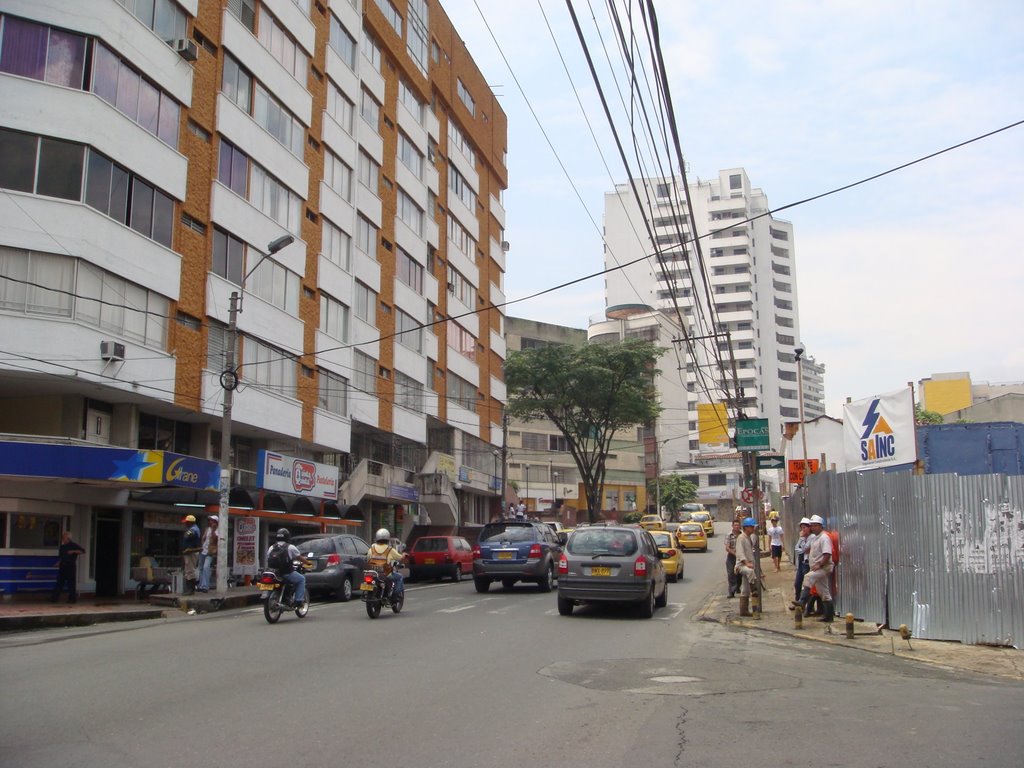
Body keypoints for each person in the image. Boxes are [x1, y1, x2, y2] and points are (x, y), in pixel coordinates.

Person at [796, 514, 834, 622]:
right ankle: (828, 617)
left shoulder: (824, 538)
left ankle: (802, 601)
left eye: (815, 526)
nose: (813, 528)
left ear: (821, 526)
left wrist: (820, 564)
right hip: (817, 568)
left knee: (807, 577)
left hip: (823, 568)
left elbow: (827, 554)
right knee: (824, 592)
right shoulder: (816, 538)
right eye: (812, 526)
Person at [266, 528, 306, 606]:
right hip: (286, 573)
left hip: (274, 573)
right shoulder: (290, 547)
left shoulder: (272, 547)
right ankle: (299, 601)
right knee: (301, 579)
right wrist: (308, 562)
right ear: (287, 537)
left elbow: (268, 558)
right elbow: (299, 557)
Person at [366, 528, 408, 600]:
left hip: (373, 573)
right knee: (400, 577)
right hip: (385, 574)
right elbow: (400, 558)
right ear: (387, 539)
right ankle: (395, 596)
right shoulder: (389, 549)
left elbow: (367, 559)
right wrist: (404, 555)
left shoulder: (371, 549)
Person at [50, 531, 85, 604]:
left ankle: (72, 599)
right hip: (63, 566)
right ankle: (54, 598)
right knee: (59, 582)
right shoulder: (62, 547)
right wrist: (58, 563)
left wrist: (73, 551)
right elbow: (62, 557)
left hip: (70, 566)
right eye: (62, 537)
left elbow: (83, 551)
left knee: (71, 583)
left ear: (68, 538)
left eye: (64, 537)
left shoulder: (73, 545)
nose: (62, 539)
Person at [734, 517, 759, 616]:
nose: (753, 528)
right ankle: (755, 589)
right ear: (746, 527)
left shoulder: (749, 537)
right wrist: (746, 563)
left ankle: (743, 611)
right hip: (741, 565)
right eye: (751, 527)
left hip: (748, 564)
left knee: (745, 590)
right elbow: (740, 553)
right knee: (750, 572)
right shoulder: (741, 538)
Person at [789, 518, 812, 608]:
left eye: (805, 527)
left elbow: (805, 549)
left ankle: (808, 606)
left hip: (807, 564)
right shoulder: (802, 538)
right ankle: (798, 602)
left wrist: (802, 542)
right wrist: (802, 541)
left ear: (809, 528)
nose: (803, 529)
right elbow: (797, 549)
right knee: (797, 583)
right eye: (802, 527)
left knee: (807, 585)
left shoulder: (812, 538)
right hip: (801, 563)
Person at [196, 515, 219, 593]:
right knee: (201, 568)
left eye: (212, 520)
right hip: (203, 551)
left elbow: (215, 539)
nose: (210, 522)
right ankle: (201, 585)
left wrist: (213, 530)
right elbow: (204, 538)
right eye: (210, 520)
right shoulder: (207, 529)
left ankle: (205, 586)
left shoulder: (218, 530)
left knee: (206, 567)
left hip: (210, 552)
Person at [181, 514, 202, 595]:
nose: (185, 524)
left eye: (187, 522)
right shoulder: (193, 529)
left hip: (191, 552)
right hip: (188, 552)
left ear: (190, 522)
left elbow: (189, 537)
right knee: (188, 570)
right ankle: (189, 589)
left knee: (190, 570)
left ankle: (191, 589)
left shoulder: (193, 530)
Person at [724, 519, 741, 598]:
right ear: (732, 526)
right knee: (731, 574)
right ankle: (731, 592)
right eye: (735, 525)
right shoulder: (729, 535)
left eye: (738, 525)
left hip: (741, 557)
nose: (736, 527)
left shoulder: (742, 535)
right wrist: (734, 553)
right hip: (731, 557)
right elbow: (727, 548)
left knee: (740, 574)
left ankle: (738, 587)